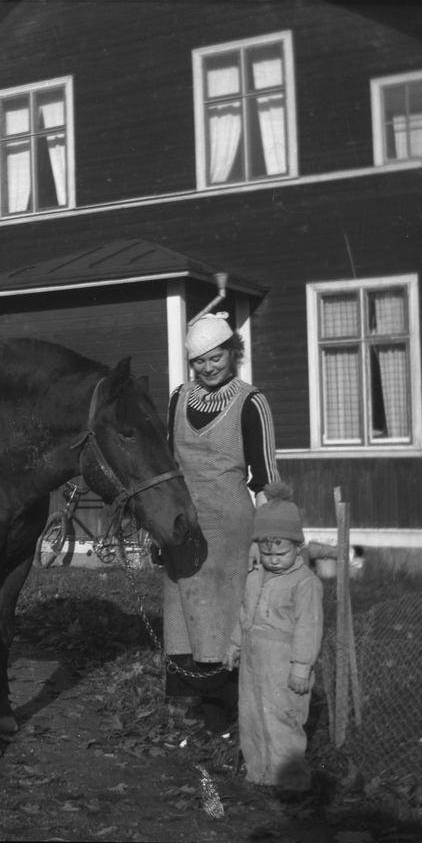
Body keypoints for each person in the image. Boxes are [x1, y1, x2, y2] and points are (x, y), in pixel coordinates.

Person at [161, 311, 279, 736]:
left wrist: (265, 537)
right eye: (199, 361)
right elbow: (165, 466)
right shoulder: (178, 398)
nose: (209, 367)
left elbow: (266, 479)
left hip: (231, 531)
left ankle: (222, 716)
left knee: (225, 618)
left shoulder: (251, 402)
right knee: (182, 612)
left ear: (233, 353)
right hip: (183, 527)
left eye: (216, 357)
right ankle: (185, 709)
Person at [225, 481, 323, 795]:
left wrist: (300, 669)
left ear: (297, 547)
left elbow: (309, 628)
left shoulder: (305, 583)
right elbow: (244, 614)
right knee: (252, 716)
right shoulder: (254, 577)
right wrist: (235, 644)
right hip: (253, 661)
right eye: (267, 553)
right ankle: (259, 774)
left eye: (281, 553)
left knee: (282, 719)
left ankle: (292, 783)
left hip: (283, 664)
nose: (274, 559)